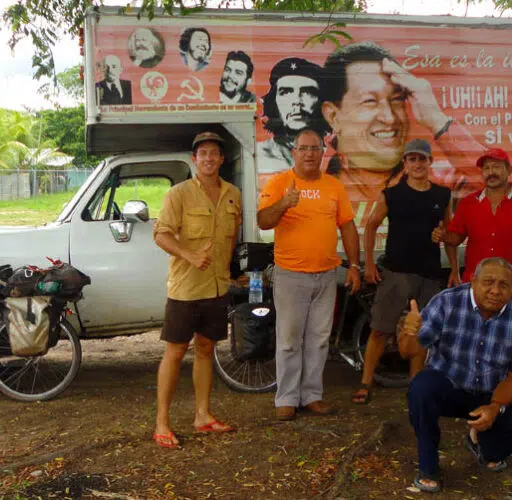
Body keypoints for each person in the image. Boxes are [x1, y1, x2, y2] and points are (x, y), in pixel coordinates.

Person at [401, 257, 512, 493]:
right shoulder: (446, 302)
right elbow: (408, 351)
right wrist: (410, 332)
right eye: (488, 282)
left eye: (504, 285)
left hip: (490, 393)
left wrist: (495, 406)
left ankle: (483, 444)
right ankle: (428, 466)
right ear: (473, 281)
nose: (495, 291)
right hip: (449, 386)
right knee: (421, 389)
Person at [257, 128, 361, 421]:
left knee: (318, 339)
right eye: (303, 148)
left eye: (315, 148)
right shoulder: (279, 183)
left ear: (323, 153)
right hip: (291, 275)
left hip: (326, 275)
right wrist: (284, 203)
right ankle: (287, 398)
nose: (309, 154)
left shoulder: (333, 186)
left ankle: (312, 396)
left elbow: (348, 226)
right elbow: (263, 221)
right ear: (294, 152)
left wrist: (354, 266)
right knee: (289, 340)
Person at [151, 131, 242, 448]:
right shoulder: (178, 194)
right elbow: (161, 234)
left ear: (221, 159)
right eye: (203, 153)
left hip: (217, 287)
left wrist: (231, 273)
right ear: (194, 159)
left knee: (206, 349)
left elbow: (231, 236)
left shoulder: (232, 194)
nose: (208, 158)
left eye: (214, 153)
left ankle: (203, 415)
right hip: (185, 289)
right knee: (175, 352)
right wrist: (189, 255)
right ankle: (162, 423)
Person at [351, 139, 458, 405]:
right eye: (412, 159)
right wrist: (369, 264)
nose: (418, 164)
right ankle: (365, 383)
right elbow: (371, 225)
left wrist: (454, 269)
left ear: (430, 162)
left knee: (421, 333)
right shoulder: (392, 194)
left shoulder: (442, 195)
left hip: (429, 273)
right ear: (405, 164)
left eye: (422, 159)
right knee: (380, 329)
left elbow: (449, 234)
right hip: (395, 273)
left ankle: (416, 387)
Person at [320, 41, 485, 205]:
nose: (390, 118)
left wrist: (437, 121)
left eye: (397, 99)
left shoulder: (441, 181)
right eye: (370, 101)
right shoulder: (316, 185)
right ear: (333, 116)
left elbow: (496, 187)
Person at [434, 147, 512, 305]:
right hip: (476, 285)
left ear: (508, 170)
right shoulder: (468, 203)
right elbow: (455, 239)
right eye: (486, 168)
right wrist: (444, 237)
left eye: (496, 167)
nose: (491, 172)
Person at [257, 57, 329, 174]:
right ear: (273, 102)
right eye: (286, 92)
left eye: (308, 92)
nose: (296, 101)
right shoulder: (256, 156)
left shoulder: (334, 157)